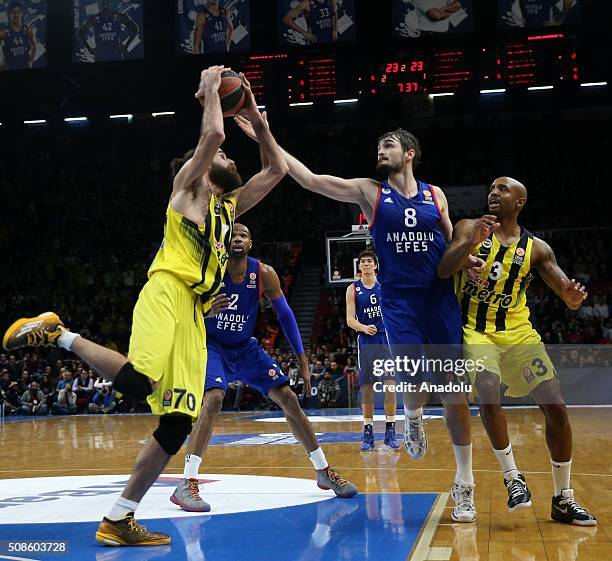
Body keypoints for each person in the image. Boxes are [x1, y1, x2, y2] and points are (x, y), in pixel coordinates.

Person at [3, 65, 288, 545]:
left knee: (177, 423)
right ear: (205, 164)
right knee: (138, 382)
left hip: (196, 314)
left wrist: (259, 121)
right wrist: (209, 87)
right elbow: (215, 131)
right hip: (166, 293)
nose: (229, 157)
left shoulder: (227, 208)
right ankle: (59, 332)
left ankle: (118, 519)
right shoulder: (187, 191)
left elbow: (276, 169)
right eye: (222, 156)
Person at [234, 121, 477, 522]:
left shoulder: (436, 195)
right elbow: (310, 179)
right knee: (413, 384)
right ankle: (413, 419)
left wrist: (469, 262)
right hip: (398, 304)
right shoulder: (370, 191)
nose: (380, 149)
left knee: (454, 393)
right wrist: (263, 135)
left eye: (389, 144)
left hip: (439, 301)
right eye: (379, 144)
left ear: (409, 153)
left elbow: (452, 247)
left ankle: (464, 484)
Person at [438, 176, 597, 526]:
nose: (494, 193)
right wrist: (468, 248)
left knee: (556, 404)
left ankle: (563, 498)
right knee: (489, 390)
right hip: (476, 330)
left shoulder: (537, 248)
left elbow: (563, 289)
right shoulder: (469, 227)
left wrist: (571, 298)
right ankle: (513, 477)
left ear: (520, 202)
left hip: (518, 333)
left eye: (503, 189)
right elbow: (443, 269)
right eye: (492, 189)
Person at [170, 224, 357, 511]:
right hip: (211, 344)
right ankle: (187, 481)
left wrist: (302, 358)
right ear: (223, 242)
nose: (238, 239)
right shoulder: (209, 270)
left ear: (250, 242)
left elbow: (285, 314)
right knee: (214, 398)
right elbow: (181, 304)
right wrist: (204, 310)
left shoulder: (264, 273)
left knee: (289, 398)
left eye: (243, 235)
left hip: (245, 347)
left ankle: (323, 470)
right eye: (233, 235)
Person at [345, 249, 398, 450]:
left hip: (386, 340)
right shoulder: (352, 289)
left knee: (390, 384)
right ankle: (367, 432)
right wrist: (363, 327)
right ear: (359, 266)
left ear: (375, 265)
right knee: (366, 388)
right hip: (366, 341)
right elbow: (350, 319)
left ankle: (390, 430)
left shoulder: (385, 285)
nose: (366, 264)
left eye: (369, 261)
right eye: (363, 261)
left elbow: (397, 309)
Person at [0, 1, 36, 70]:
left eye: (18, 12)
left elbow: (34, 46)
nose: (16, 15)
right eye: (13, 12)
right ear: (9, 14)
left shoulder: (28, 30)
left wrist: (30, 61)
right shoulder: (3, 32)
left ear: (22, 13)